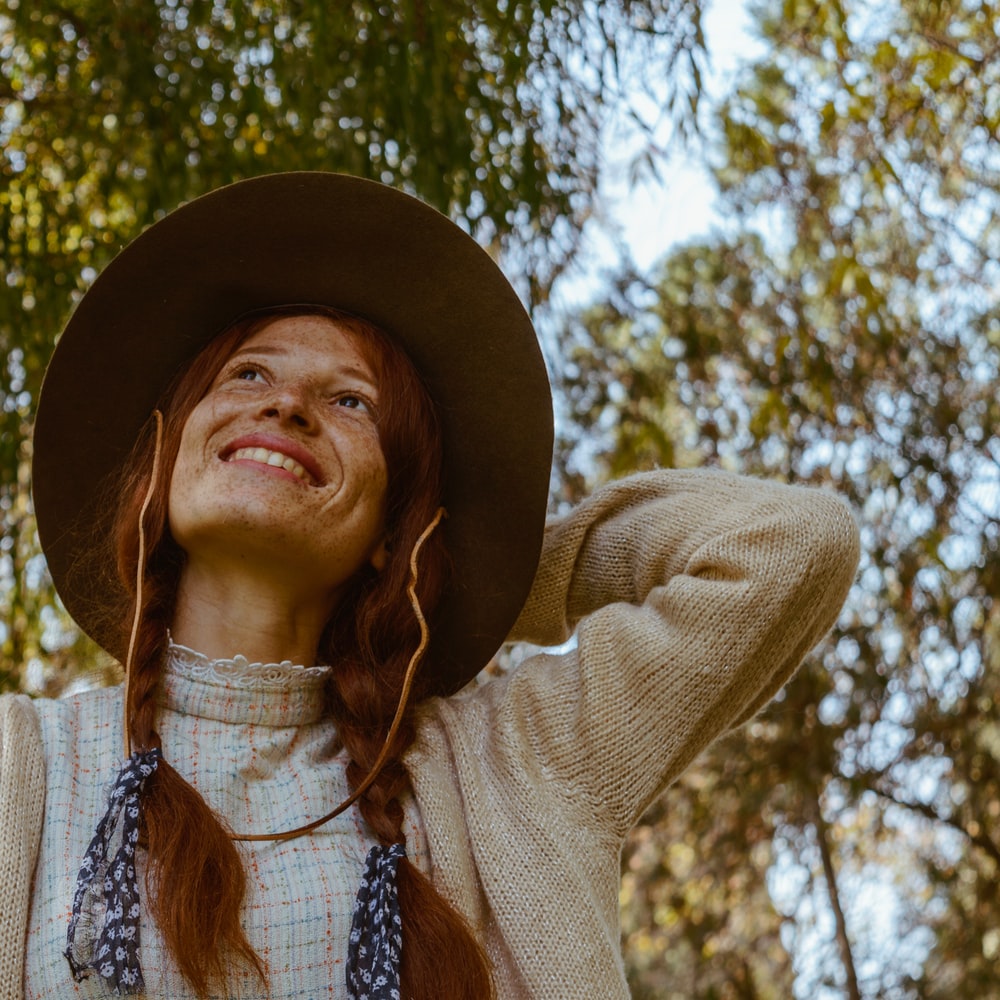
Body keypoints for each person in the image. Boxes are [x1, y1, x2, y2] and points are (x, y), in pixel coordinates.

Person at [0, 173, 860, 1000]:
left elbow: (789, 546)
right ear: (166, 459)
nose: (289, 403)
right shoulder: (26, 765)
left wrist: (448, 583)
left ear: (392, 529)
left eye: (351, 403)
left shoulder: (508, 767)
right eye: (249, 374)